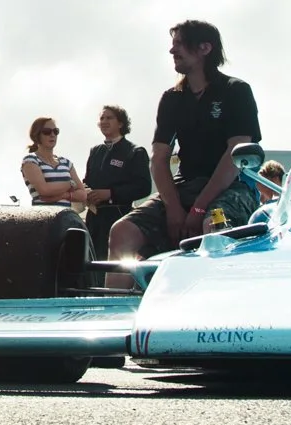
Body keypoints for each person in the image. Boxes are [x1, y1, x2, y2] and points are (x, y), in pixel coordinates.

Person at [108, 20, 261, 280]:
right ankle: (116, 311)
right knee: (122, 231)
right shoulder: (172, 98)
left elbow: (234, 157)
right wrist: (174, 209)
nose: (172, 51)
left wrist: (199, 209)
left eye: (179, 44)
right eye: (172, 44)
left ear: (204, 48)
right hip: (184, 187)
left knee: (212, 227)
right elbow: (159, 159)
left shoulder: (236, 91)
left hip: (232, 187)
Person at [80, 105, 151, 251]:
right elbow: (88, 181)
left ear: (120, 123)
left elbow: (144, 187)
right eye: (102, 118)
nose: (104, 121)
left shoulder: (135, 151)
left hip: (119, 217)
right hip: (94, 219)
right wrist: (83, 190)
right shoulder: (95, 151)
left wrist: (111, 193)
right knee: (92, 265)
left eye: (109, 118)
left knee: (115, 266)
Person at [20, 117, 84, 206]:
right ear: (36, 135)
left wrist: (64, 195)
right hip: (43, 216)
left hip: (66, 215)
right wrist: (70, 184)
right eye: (47, 131)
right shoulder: (30, 161)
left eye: (55, 131)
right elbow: (44, 190)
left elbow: (83, 195)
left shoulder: (66, 163)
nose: (52, 134)